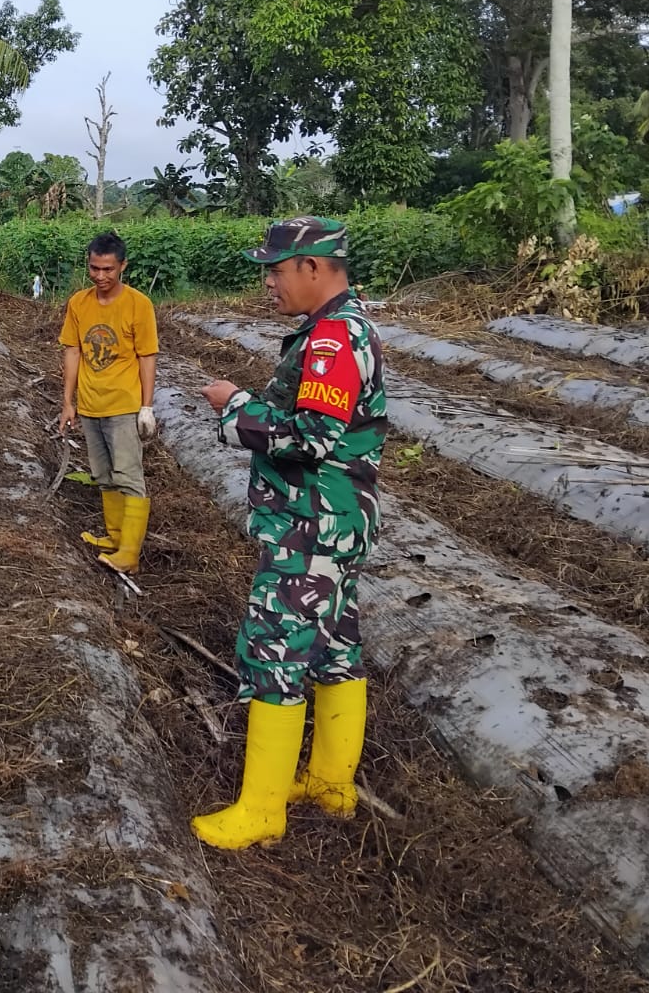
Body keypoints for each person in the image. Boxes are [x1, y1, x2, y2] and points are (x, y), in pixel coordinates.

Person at [192, 216, 387, 850]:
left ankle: (261, 811)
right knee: (335, 648)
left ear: (313, 267)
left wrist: (235, 407)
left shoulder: (332, 338)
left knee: (274, 651)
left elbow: (311, 437)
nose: (269, 283)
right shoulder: (343, 328)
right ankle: (331, 784)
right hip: (336, 522)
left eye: (275, 271)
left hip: (311, 524)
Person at [58, 231, 160, 574]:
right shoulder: (78, 303)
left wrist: (146, 406)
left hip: (124, 405)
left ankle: (129, 553)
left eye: (108, 269)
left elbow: (147, 356)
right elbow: (73, 351)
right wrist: (68, 402)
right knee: (103, 475)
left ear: (122, 266)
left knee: (128, 475)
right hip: (90, 405)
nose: (100, 276)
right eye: (94, 268)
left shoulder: (138, 304)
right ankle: (115, 537)